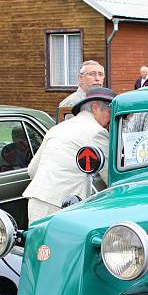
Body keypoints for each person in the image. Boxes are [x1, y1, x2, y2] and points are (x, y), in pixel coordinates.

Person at [24, 87, 116, 223]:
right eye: (110, 112)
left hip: (37, 199)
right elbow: (111, 178)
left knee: (39, 244)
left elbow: (32, 171)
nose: (112, 118)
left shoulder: (57, 129)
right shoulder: (96, 132)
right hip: (66, 206)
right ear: (95, 108)